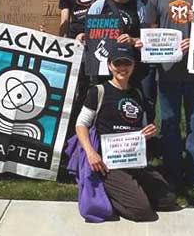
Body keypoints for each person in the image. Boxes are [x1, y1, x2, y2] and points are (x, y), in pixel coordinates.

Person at [74, 44, 180, 222]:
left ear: (133, 66)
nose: (122, 68)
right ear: (110, 65)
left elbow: (141, 127)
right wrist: (91, 153)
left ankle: (131, 191)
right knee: (144, 213)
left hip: (133, 159)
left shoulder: (136, 93)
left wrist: (148, 132)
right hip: (108, 163)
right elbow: (81, 124)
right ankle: (106, 193)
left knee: (168, 200)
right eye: (118, 63)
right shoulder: (98, 91)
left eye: (127, 63)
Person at [145, 0, 194, 189]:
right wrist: (164, 48)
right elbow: (151, 31)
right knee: (169, 123)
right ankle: (172, 170)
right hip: (168, 70)